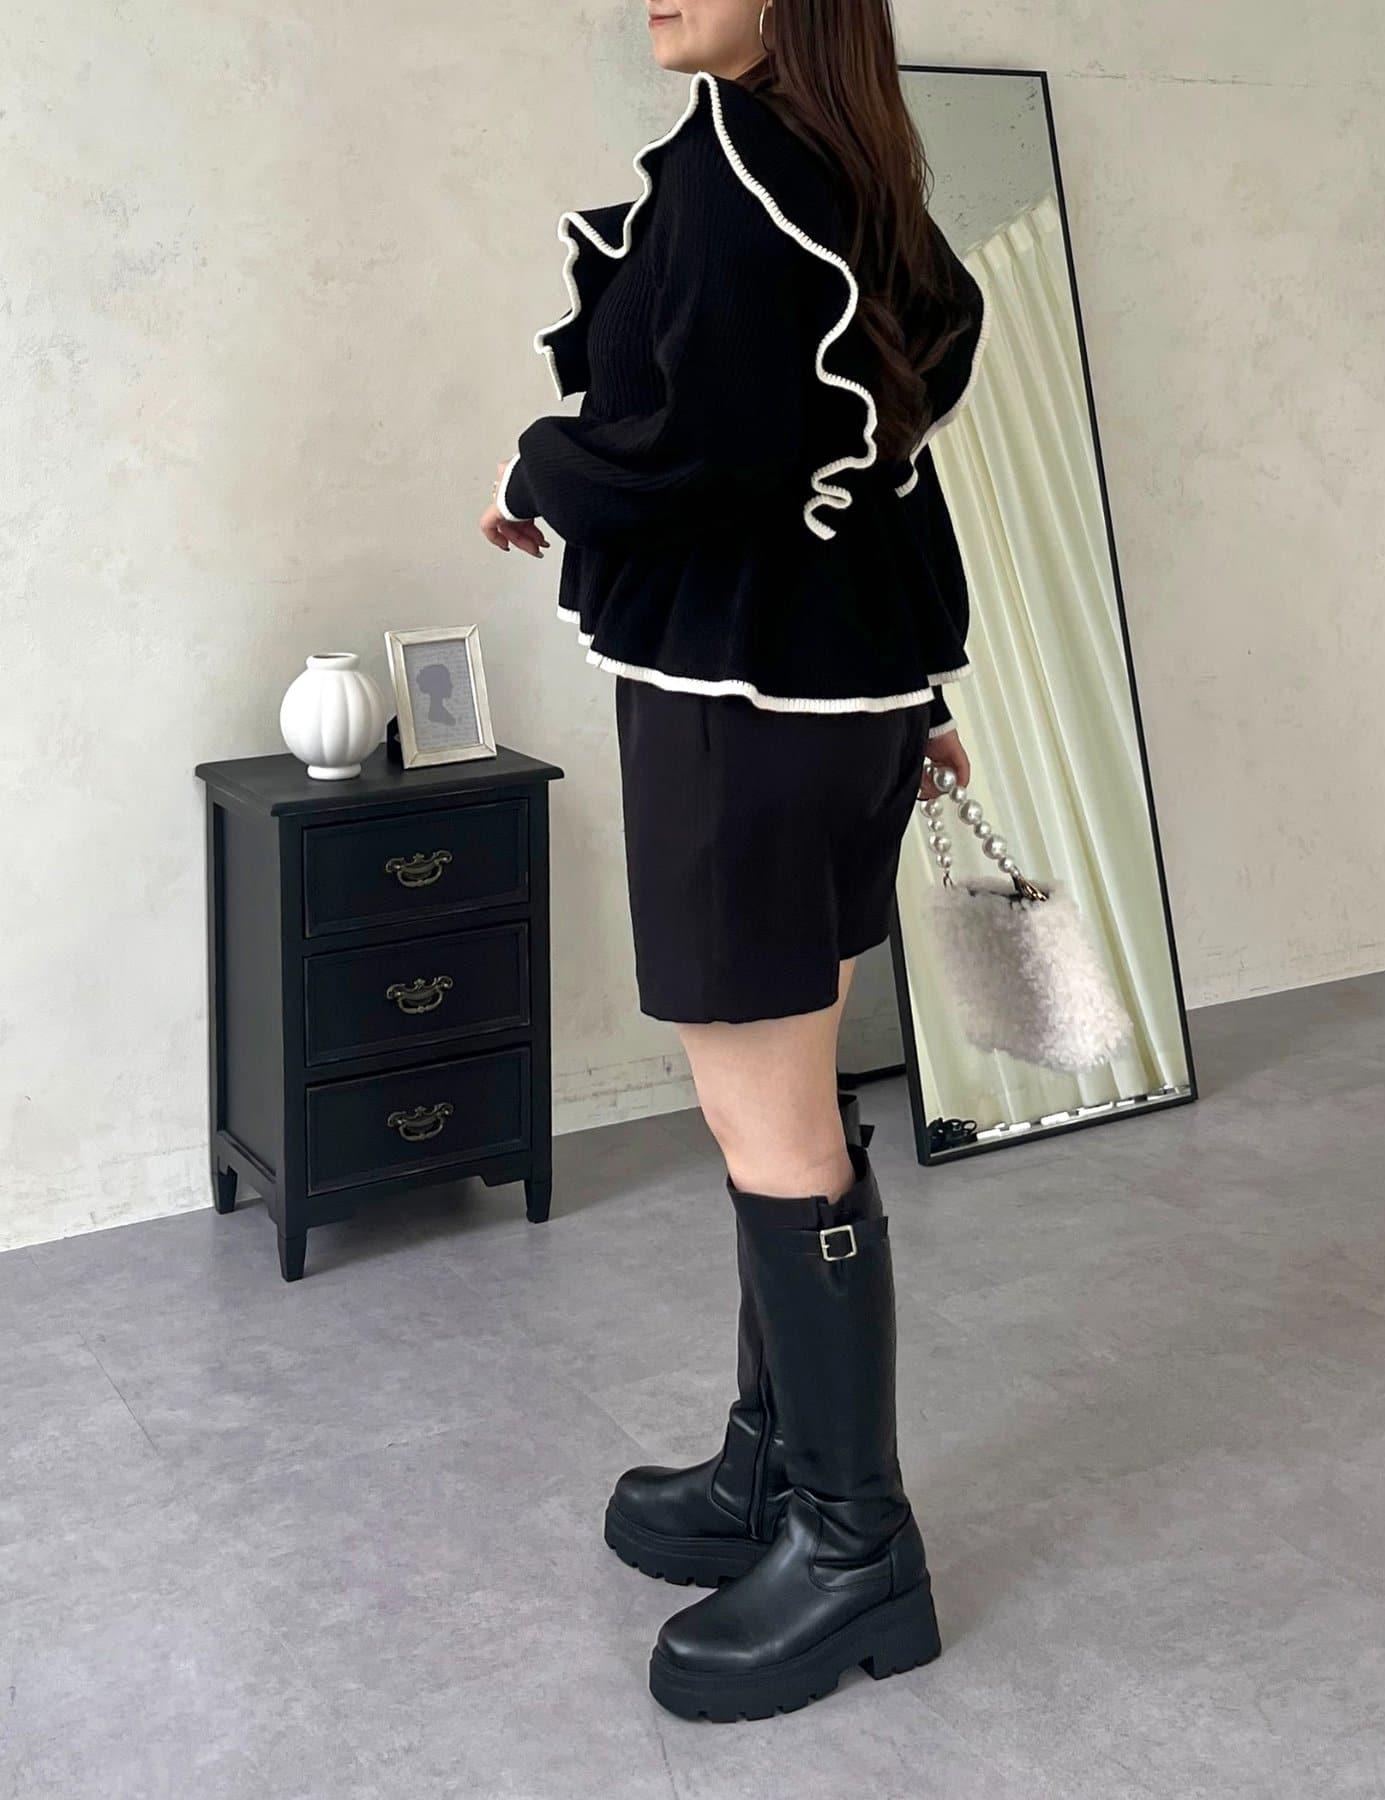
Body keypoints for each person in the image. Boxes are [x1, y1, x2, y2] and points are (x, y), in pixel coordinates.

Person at [478, 0, 985, 1723]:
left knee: (766, 1119)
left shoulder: (736, 173)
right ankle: (778, 1470)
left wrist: (543, 464)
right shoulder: (860, 172)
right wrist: (915, 692)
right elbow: (866, 450)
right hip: (834, 705)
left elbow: (699, 445)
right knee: (791, 1103)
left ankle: (855, 1549)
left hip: (740, 712)